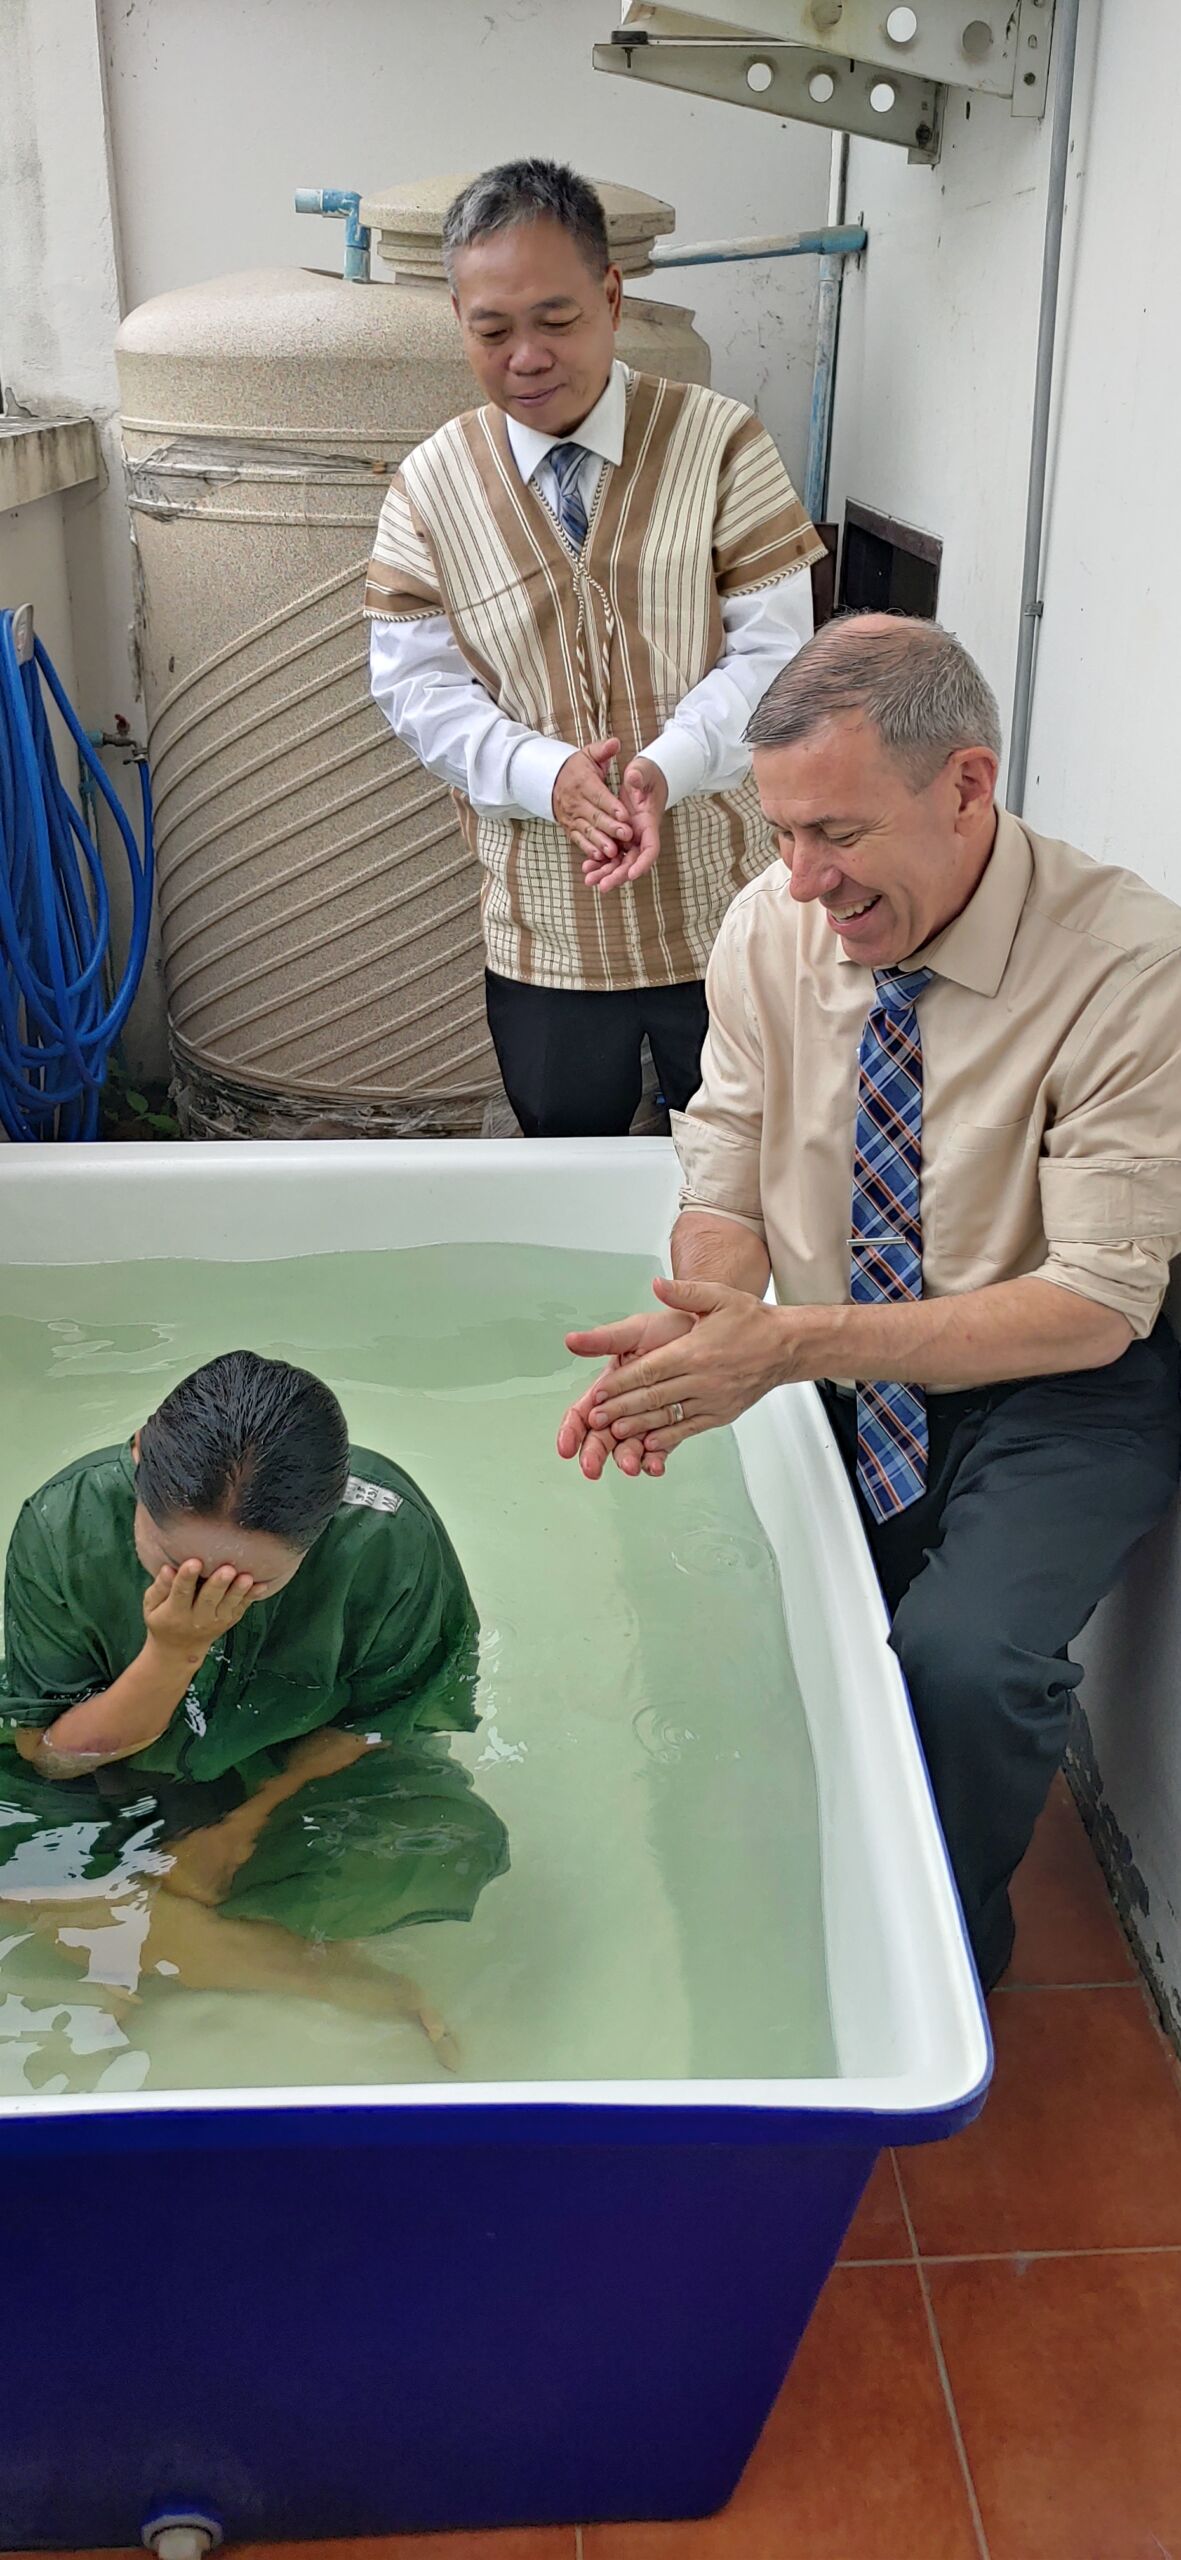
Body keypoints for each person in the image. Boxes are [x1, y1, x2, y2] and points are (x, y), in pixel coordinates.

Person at [556, 613, 1181, 1991]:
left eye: (835, 833)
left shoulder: (1131, 966)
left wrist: (787, 1343)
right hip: (837, 1355)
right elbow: (723, 1162)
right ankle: (797, 1881)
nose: (800, 879)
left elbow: (1093, 1301)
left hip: (1058, 1385)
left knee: (965, 1664)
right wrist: (711, 1316)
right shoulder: (765, 928)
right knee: (729, 1611)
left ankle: (937, 1967)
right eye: (779, 832)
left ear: (967, 786)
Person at [366, 157, 825, 1138]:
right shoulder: (429, 488)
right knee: (564, 1169)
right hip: (545, 930)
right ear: (458, 321)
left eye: (555, 319)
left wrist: (665, 766)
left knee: (749, 1161)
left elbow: (776, 658)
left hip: (727, 907)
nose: (526, 356)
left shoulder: (720, 444)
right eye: (492, 330)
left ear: (611, 298)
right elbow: (416, 688)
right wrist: (543, 775)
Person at [0, 1351, 507, 2065]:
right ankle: (282, 1964)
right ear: (140, 1457)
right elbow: (50, 1755)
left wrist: (240, 1829)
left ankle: (124, 1928)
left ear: (323, 1525)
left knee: (445, 1845)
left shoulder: (388, 1536)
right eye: (171, 1564)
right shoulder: (66, 1522)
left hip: (295, 1772)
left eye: (252, 1585)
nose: (208, 1593)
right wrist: (172, 1654)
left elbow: (381, 1722)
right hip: (107, 1772)